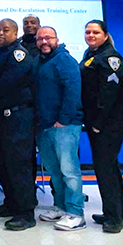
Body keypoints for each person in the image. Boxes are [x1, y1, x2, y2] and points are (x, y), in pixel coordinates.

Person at [0, 18, 37, 231]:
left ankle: (26, 213)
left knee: (18, 164)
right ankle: (11, 204)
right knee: (2, 162)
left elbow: (11, 82)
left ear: (15, 33)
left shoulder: (19, 54)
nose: (1, 33)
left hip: (18, 117)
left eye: (6, 30)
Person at [81, 20, 123, 233]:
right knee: (108, 166)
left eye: (95, 32)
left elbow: (110, 93)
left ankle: (114, 219)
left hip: (108, 121)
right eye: (88, 32)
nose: (91, 35)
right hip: (97, 120)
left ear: (105, 35)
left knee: (105, 168)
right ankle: (120, 213)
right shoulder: (91, 55)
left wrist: (99, 123)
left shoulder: (110, 58)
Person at [34, 26, 85, 231]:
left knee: (69, 170)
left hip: (64, 125)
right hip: (44, 125)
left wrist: (63, 119)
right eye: (40, 39)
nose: (44, 42)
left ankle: (76, 213)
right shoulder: (40, 61)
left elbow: (73, 90)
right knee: (55, 170)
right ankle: (61, 207)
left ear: (57, 39)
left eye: (48, 38)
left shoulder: (64, 60)